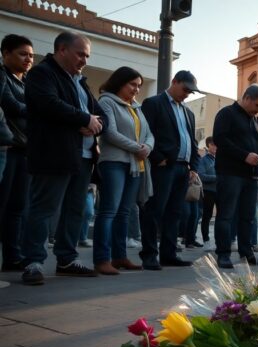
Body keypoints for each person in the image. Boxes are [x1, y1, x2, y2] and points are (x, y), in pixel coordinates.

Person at [20, 32, 107, 285]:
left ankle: (67, 259)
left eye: (87, 56)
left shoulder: (80, 82)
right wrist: (83, 119)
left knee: (74, 210)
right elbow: (48, 103)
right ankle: (33, 262)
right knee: (43, 208)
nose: (84, 60)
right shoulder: (42, 73)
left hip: (82, 156)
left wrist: (94, 123)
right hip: (53, 153)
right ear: (61, 50)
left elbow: (100, 115)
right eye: (80, 54)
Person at [212, 84, 258, 269]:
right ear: (247, 98)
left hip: (251, 177)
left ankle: (246, 253)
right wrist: (244, 155)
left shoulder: (257, 121)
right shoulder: (226, 113)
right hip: (230, 174)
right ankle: (223, 254)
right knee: (226, 215)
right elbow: (220, 139)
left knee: (248, 217)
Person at [92, 66, 153, 274]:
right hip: (114, 163)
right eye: (132, 84)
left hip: (135, 165)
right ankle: (102, 259)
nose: (136, 89)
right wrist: (138, 148)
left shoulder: (136, 107)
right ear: (120, 82)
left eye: (139, 86)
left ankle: (119, 257)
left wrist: (148, 147)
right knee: (109, 210)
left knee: (124, 213)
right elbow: (109, 133)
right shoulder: (106, 101)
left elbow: (149, 134)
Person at [140, 70, 199, 270]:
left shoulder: (188, 112)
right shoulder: (153, 103)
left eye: (190, 92)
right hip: (164, 167)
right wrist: (158, 158)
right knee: (155, 210)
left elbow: (192, 141)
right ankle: (149, 255)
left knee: (175, 213)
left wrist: (194, 167)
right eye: (185, 89)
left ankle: (169, 253)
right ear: (174, 81)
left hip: (184, 168)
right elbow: (145, 134)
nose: (187, 94)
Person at [0, 34, 33, 272]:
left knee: (18, 207)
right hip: (7, 147)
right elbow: (9, 103)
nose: (28, 59)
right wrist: (38, 109)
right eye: (23, 54)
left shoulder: (28, 81)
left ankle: (13, 257)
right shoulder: (2, 76)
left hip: (25, 150)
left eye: (31, 55)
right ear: (5, 53)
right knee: (2, 205)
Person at [198, 137, 217, 251]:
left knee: (222, 217)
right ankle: (206, 241)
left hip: (219, 191)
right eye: (213, 145)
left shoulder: (219, 160)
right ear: (209, 145)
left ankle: (220, 240)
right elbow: (201, 176)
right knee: (207, 216)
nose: (216, 147)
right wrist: (217, 178)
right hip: (208, 191)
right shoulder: (203, 160)